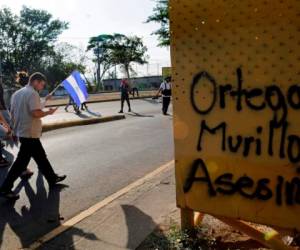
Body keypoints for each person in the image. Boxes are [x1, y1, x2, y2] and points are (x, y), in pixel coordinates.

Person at [0, 72, 67, 200]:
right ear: (35, 81)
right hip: (30, 132)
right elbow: (35, 112)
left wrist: (14, 129)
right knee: (20, 163)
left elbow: (13, 112)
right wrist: (48, 113)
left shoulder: (17, 94)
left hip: (22, 131)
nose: (42, 87)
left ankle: (52, 178)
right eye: (42, 84)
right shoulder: (32, 93)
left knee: (41, 157)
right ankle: (5, 189)